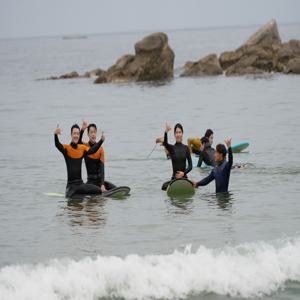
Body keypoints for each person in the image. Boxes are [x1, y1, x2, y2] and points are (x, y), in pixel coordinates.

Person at [54, 124, 105, 198]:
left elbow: (92, 150)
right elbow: (57, 145)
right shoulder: (66, 148)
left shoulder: (82, 148)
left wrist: (101, 140)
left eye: (77, 134)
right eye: (74, 133)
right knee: (72, 196)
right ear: (71, 134)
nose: (76, 136)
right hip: (71, 187)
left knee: (98, 191)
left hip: (80, 185)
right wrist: (55, 135)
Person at [79, 121, 116, 193]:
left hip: (99, 182)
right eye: (91, 132)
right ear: (88, 134)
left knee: (115, 188)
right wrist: (82, 130)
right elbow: (78, 142)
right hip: (90, 183)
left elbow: (102, 168)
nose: (93, 134)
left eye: (94, 132)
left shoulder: (101, 149)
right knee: (97, 191)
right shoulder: (85, 147)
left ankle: (102, 190)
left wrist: (102, 184)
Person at [161, 123, 193, 191]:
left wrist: (183, 173)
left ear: (182, 133)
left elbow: (190, 166)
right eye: (176, 132)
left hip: (184, 178)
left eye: (180, 132)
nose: (178, 134)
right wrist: (166, 132)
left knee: (195, 185)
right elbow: (165, 143)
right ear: (174, 135)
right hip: (174, 179)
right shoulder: (172, 148)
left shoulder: (186, 148)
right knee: (163, 186)